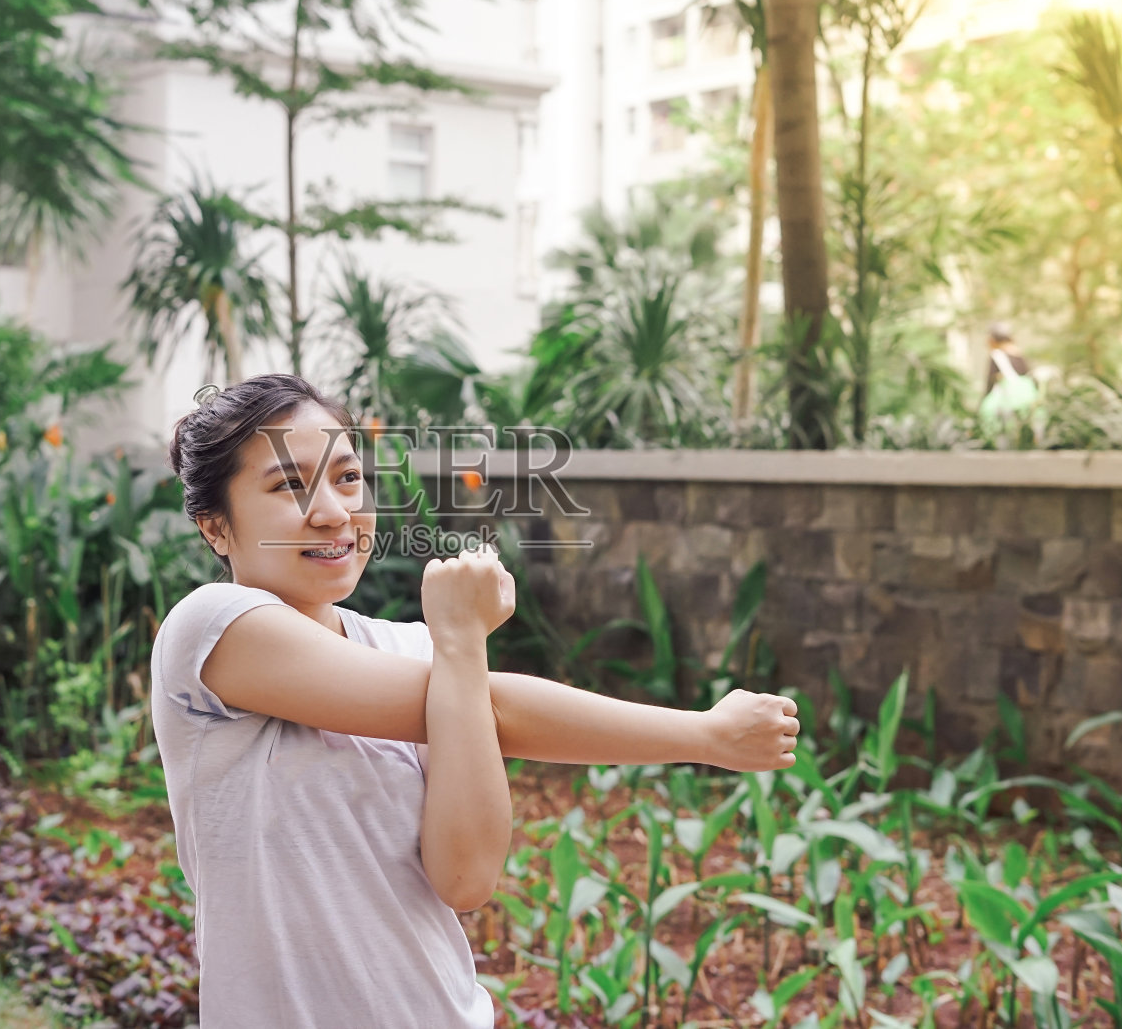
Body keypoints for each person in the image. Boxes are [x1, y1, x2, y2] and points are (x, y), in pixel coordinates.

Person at [151, 373, 801, 1027]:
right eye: (289, 485)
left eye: (347, 477)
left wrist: (453, 649)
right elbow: (498, 709)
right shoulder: (213, 628)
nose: (333, 511)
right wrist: (705, 736)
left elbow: (465, 879)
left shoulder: (415, 652)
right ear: (216, 527)